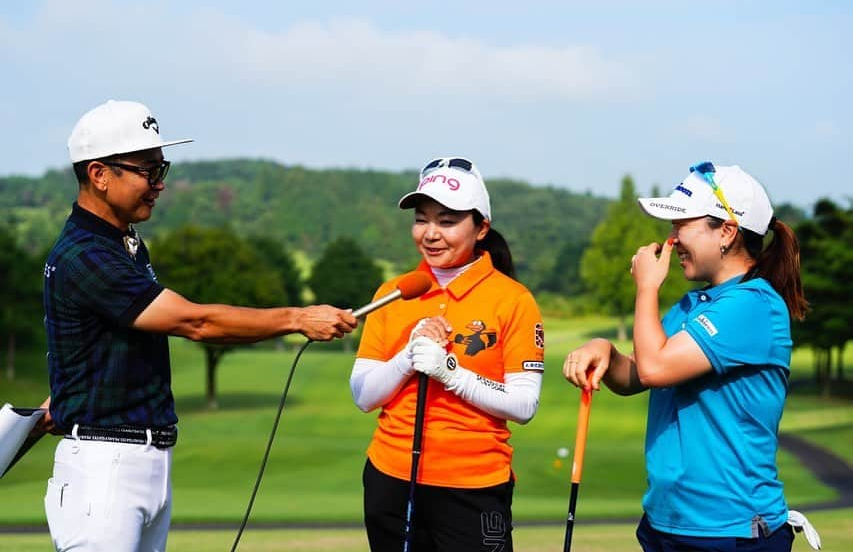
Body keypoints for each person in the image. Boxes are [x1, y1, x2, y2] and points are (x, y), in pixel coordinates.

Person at [38, 99, 358, 552]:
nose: (159, 184)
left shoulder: (121, 242)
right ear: (99, 175)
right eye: (148, 171)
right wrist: (296, 318)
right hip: (105, 469)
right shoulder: (87, 255)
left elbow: (103, 342)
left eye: (161, 168)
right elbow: (197, 322)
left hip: (137, 461)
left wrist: (72, 390)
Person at [562, 162, 821, 551]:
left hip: (731, 531)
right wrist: (608, 353)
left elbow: (655, 368)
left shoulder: (754, 305)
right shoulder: (692, 306)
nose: (671, 240)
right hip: (667, 523)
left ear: (727, 232)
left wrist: (647, 288)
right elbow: (638, 372)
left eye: (682, 225)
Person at [350, 157, 545, 551]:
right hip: (391, 476)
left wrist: (450, 371)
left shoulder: (513, 300)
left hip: (471, 484)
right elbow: (363, 395)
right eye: (422, 219)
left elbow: (524, 404)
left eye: (448, 221)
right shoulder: (395, 292)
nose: (431, 234)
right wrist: (407, 357)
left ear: (481, 228)